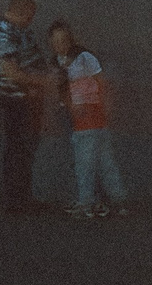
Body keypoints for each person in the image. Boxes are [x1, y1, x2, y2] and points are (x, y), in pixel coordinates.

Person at [49, 20, 130, 218]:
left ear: (71, 39)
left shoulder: (84, 57)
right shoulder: (55, 62)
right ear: (51, 43)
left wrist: (107, 109)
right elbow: (59, 91)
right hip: (77, 116)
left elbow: (101, 83)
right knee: (98, 160)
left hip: (88, 117)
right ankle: (114, 201)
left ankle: (89, 202)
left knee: (87, 162)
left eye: (64, 40)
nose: (61, 45)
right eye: (56, 41)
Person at [0, 0, 55, 213]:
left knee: (27, 148)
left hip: (31, 99)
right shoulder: (4, 32)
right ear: (23, 11)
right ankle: (15, 201)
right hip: (16, 100)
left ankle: (24, 197)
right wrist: (43, 81)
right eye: (31, 15)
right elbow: (11, 73)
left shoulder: (21, 29)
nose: (32, 19)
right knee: (17, 148)